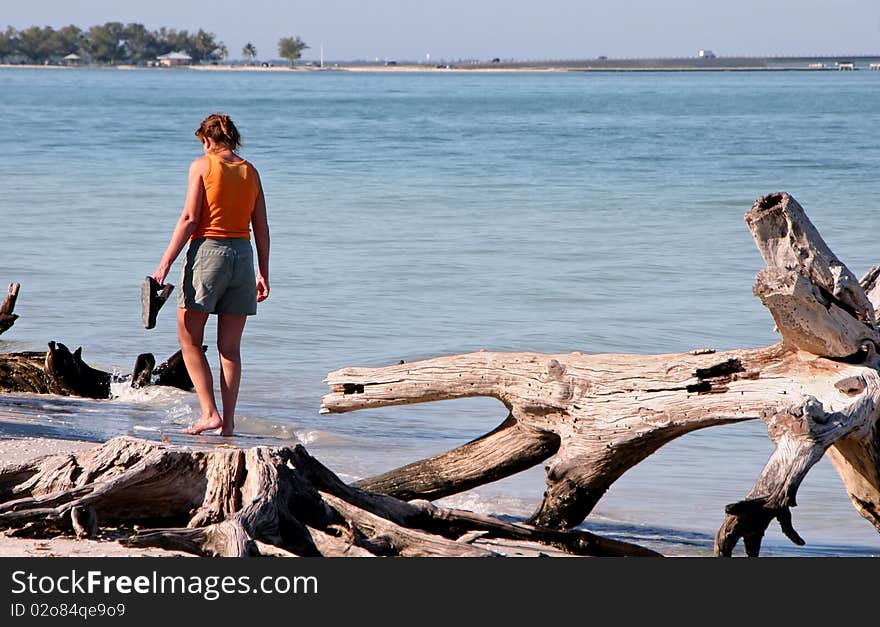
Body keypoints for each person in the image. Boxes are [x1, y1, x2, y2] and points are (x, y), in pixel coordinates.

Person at [152, 113, 270, 436]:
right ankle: (228, 424)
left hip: (208, 254)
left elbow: (190, 218)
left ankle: (209, 413)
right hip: (243, 258)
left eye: (202, 144)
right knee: (229, 349)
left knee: (189, 338)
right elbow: (261, 227)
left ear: (207, 140)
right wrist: (263, 272)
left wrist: (163, 264)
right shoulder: (251, 171)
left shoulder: (202, 166)